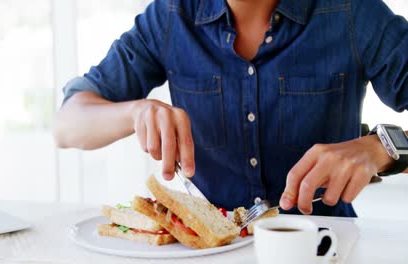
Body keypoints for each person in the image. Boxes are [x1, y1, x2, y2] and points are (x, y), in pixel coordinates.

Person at [53, 0, 408, 217]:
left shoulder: (353, 12)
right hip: (209, 251)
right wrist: (134, 112)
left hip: (325, 248)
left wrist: (384, 148)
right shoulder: (170, 17)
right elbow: (68, 124)